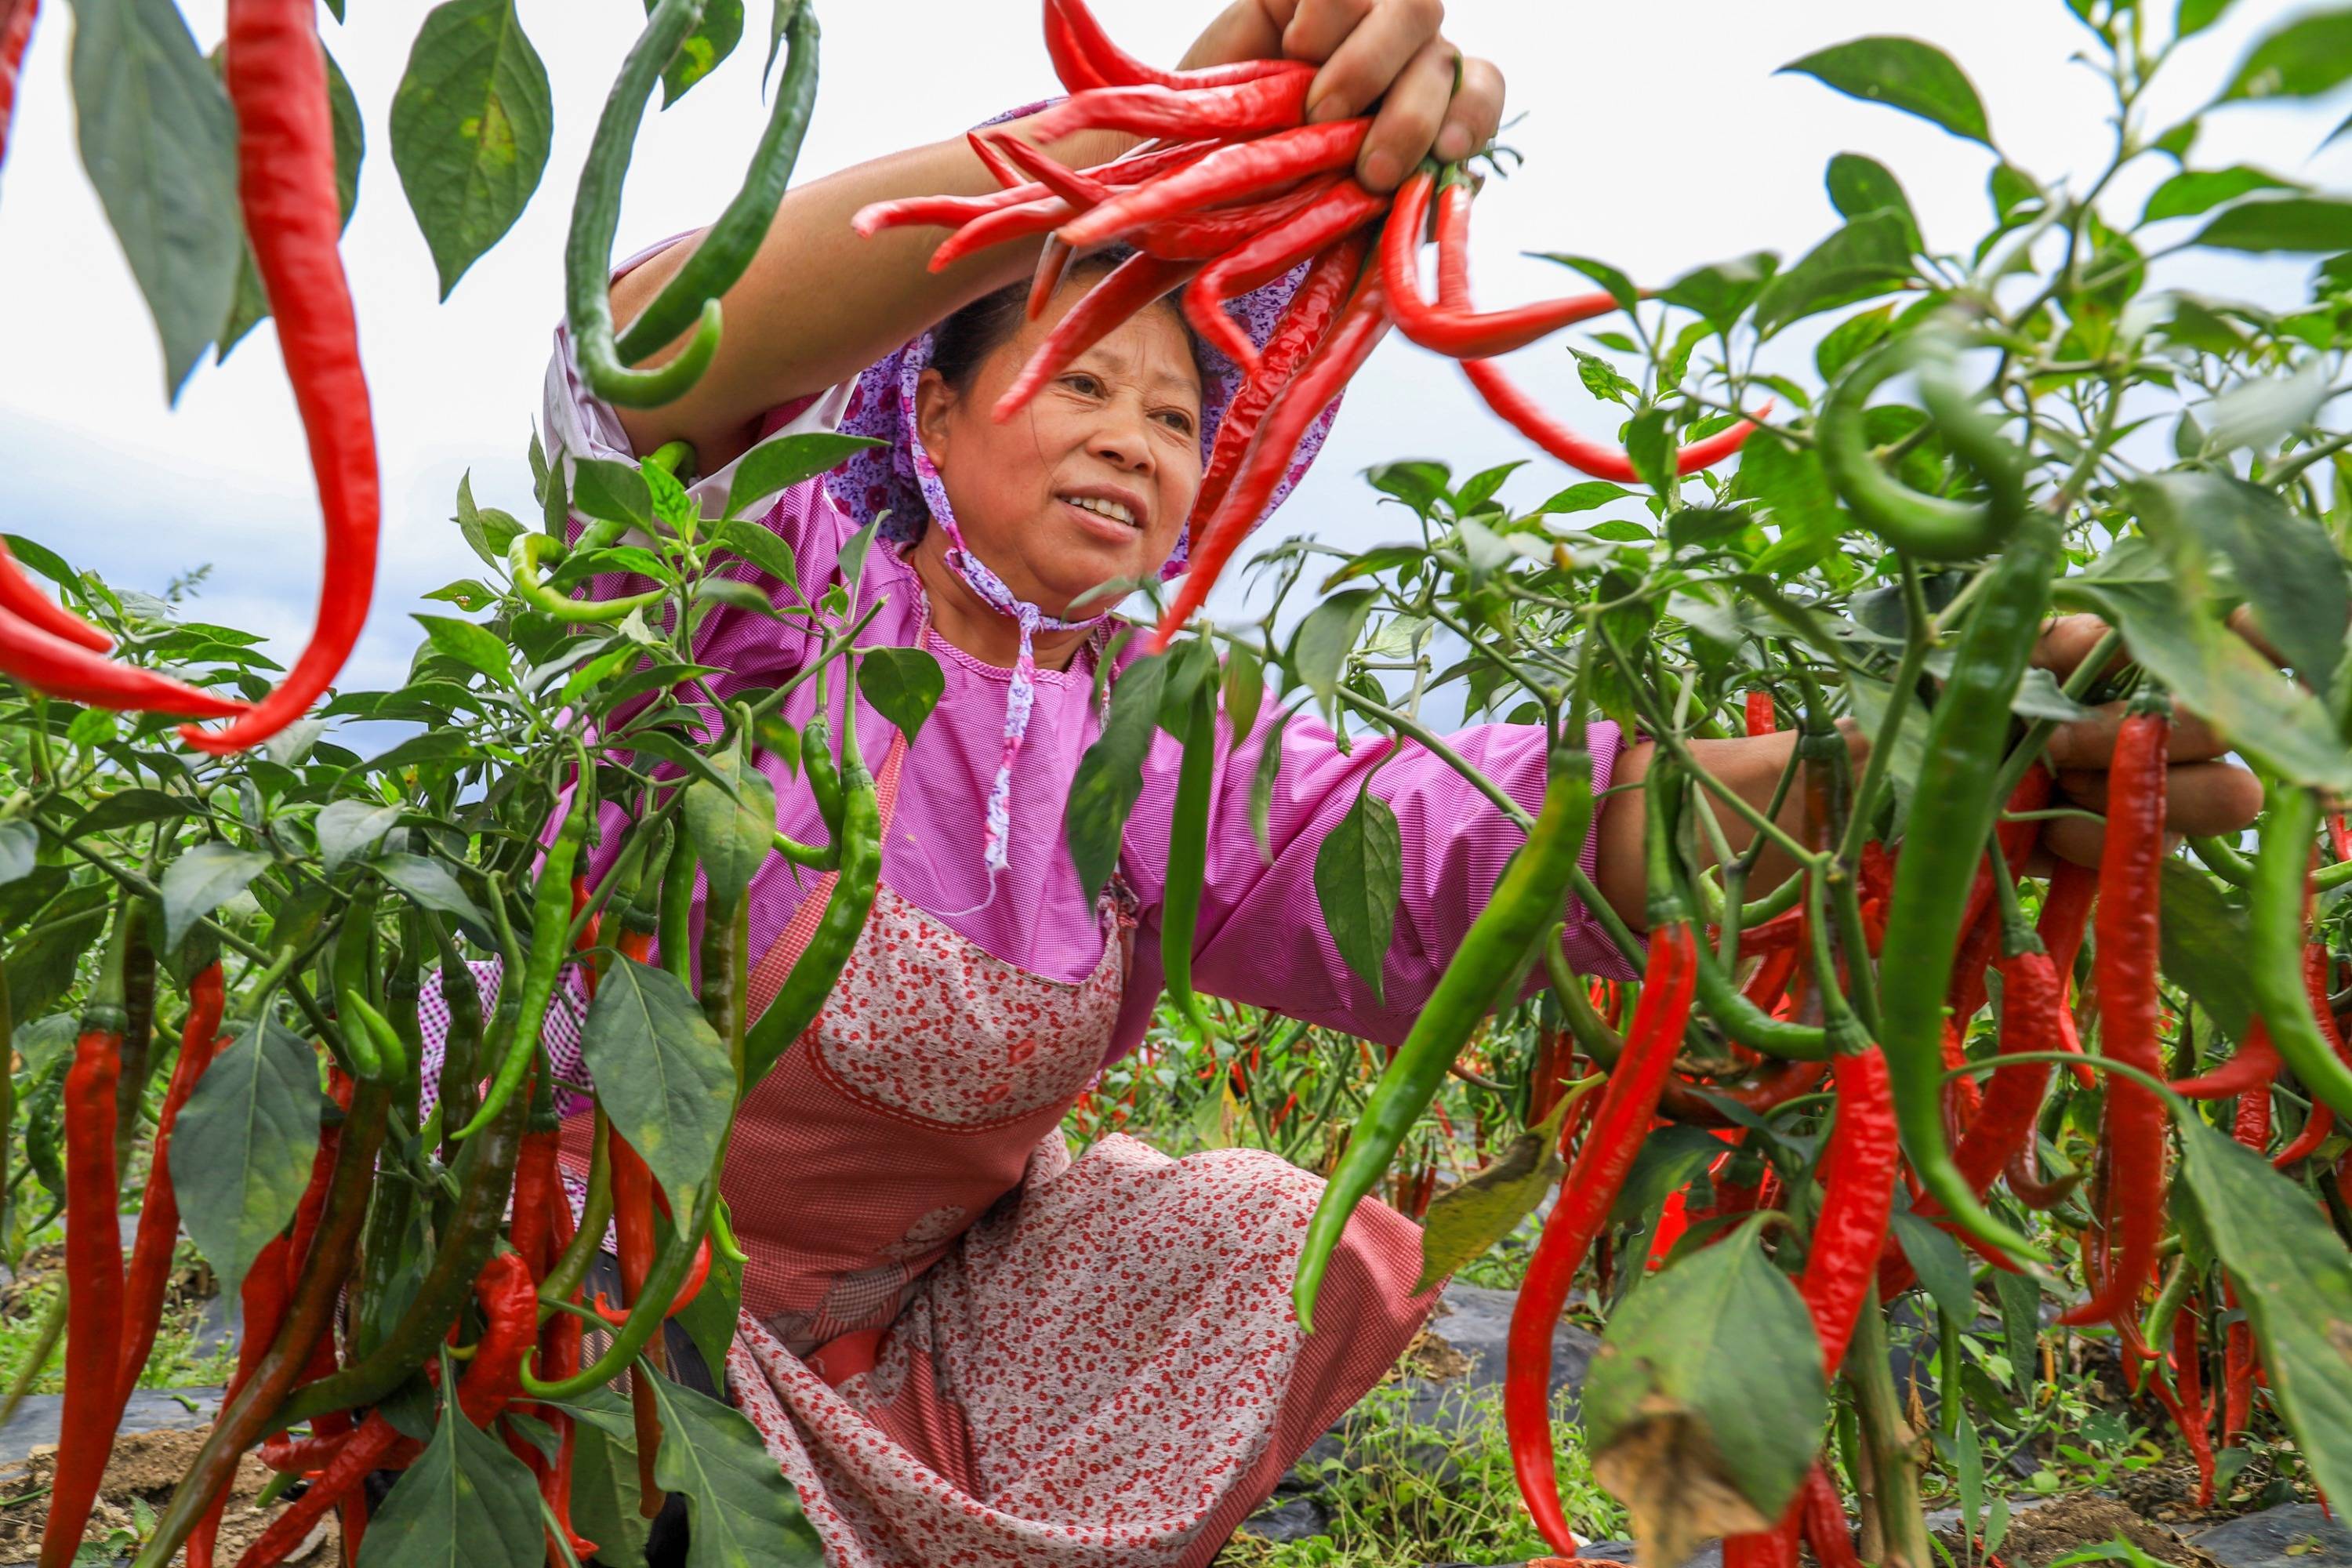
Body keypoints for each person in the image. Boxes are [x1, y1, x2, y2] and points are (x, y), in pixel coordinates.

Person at [428, 2, 2264, 1562]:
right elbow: (652, 358)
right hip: (571, 1272)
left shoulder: (1152, 726)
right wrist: (1144, 137)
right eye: (1085, 378)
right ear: (926, 401)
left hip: (871, 1323)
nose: (1139, 441)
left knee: (1265, 1236)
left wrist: (1920, 778)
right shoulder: (763, 578)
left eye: (1177, 416)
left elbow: (1484, 842)